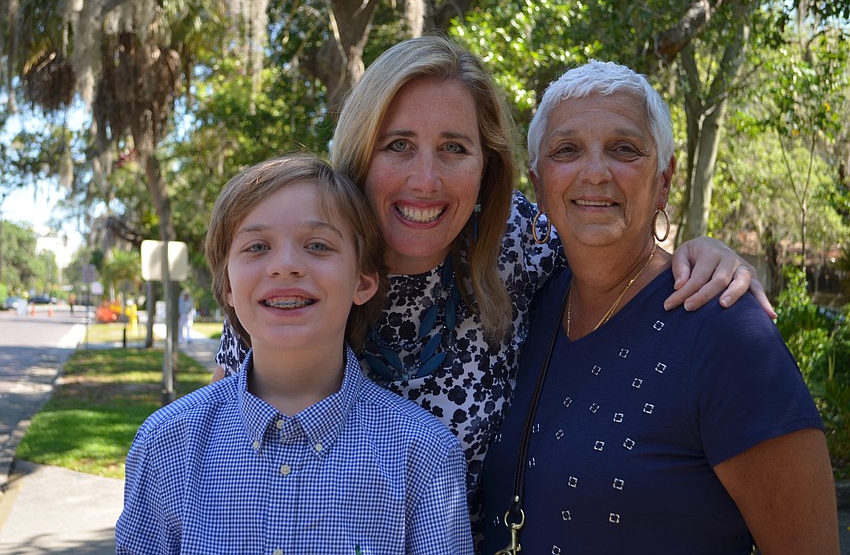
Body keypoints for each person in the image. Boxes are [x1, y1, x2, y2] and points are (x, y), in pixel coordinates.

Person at [212, 36, 770, 535]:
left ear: (487, 168)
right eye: (398, 145)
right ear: (359, 154)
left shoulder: (519, 245)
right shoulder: (298, 276)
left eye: (454, 148)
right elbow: (221, 460)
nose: (425, 180)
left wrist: (699, 252)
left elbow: (620, 249)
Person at [481, 61, 839, 554]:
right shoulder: (527, 307)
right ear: (539, 184)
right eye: (567, 150)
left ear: (665, 180)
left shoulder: (723, 328)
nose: (595, 172)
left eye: (624, 149)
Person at [116, 154, 473, 554]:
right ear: (228, 287)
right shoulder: (166, 443)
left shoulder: (422, 454)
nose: (285, 266)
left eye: (318, 245)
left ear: (364, 280)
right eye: (257, 246)